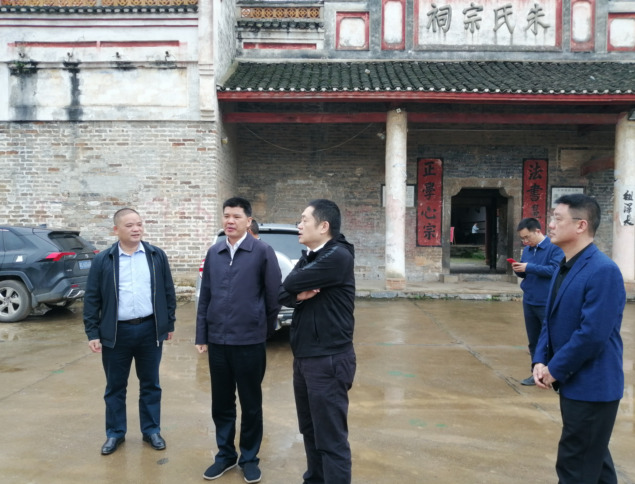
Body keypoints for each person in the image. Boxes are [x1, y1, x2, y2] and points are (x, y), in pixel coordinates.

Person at [533, 194, 625, 484]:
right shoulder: (566, 264)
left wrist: (555, 369)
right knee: (595, 464)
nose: (550, 225)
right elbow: (550, 319)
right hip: (575, 383)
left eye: (557, 218)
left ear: (581, 225)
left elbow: (592, 334)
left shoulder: (603, 270)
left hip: (593, 386)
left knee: (575, 467)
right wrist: (540, 359)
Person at [195, 197, 281, 483]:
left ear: (248, 221)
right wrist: (202, 335)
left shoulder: (262, 252)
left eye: (236, 216)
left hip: (249, 343)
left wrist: (263, 330)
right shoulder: (215, 252)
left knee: (251, 403)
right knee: (221, 403)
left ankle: (249, 458)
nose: (230, 221)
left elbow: (273, 296)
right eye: (226, 216)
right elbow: (205, 296)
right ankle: (225, 455)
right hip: (218, 342)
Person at [83, 208, 176, 455]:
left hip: (149, 329)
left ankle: (151, 430)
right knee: (115, 386)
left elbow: (168, 290)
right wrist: (93, 333)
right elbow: (92, 298)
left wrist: (169, 324)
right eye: (129, 225)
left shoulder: (156, 255)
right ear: (116, 230)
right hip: (116, 333)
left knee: (151, 384)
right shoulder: (104, 260)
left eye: (139, 224)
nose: (136, 229)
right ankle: (115, 433)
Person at [279, 199, 356, 484]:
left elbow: (288, 284)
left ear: (323, 226)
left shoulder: (338, 256)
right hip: (305, 357)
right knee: (310, 430)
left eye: (304, 220)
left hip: (329, 360)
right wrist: (298, 294)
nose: (298, 225)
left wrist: (294, 289)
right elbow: (283, 293)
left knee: (331, 438)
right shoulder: (310, 256)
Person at [511, 218, 563, 386]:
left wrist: (528, 267)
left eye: (527, 237)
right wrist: (519, 269)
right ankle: (536, 374)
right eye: (523, 239)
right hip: (530, 300)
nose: (525, 241)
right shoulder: (528, 250)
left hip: (546, 301)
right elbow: (526, 273)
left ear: (538, 231)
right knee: (534, 340)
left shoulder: (554, 247)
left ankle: (556, 373)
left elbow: (555, 270)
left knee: (551, 339)